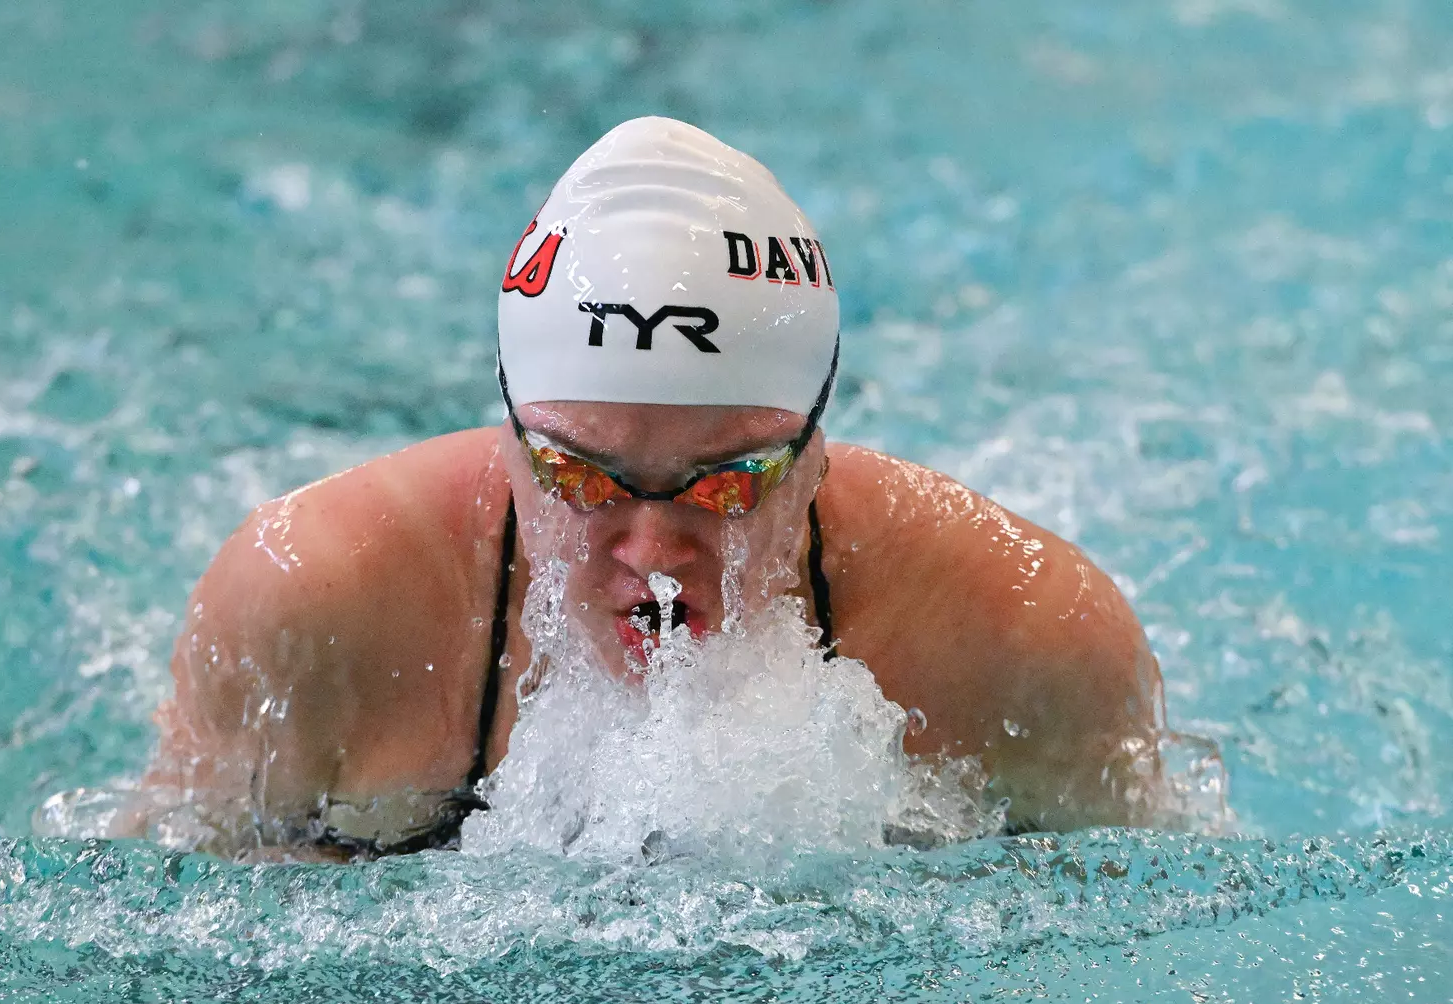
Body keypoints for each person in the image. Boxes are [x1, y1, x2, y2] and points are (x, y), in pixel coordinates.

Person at [124, 116, 1170, 858]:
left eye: (726, 484)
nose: (655, 554)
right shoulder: (315, 601)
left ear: (813, 456)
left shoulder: (1026, 637)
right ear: (510, 442)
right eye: (581, 478)